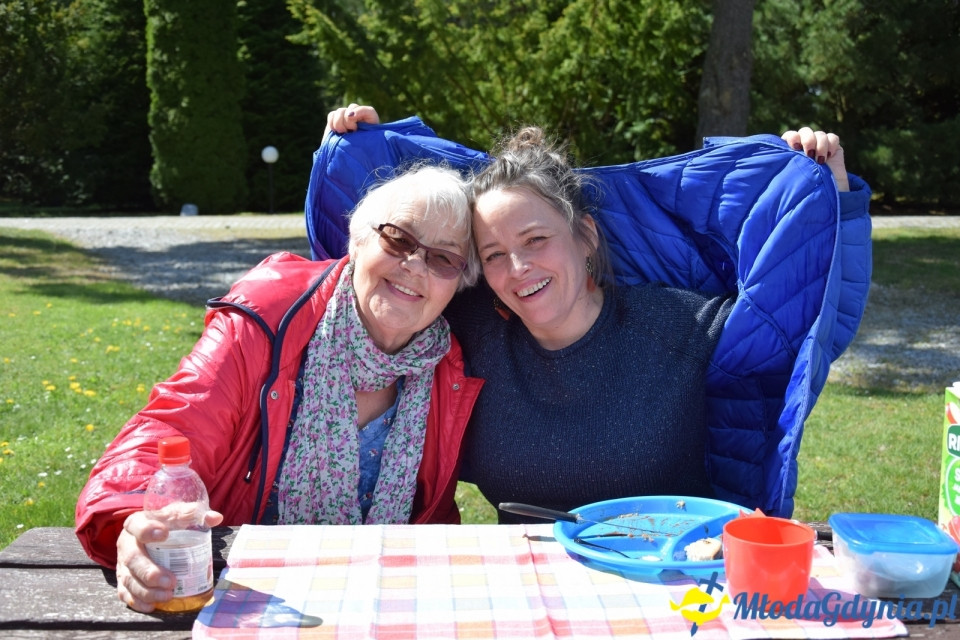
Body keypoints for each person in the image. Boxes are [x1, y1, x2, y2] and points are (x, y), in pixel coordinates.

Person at [325, 104, 869, 523]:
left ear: (584, 236)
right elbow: (377, 270)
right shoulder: (467, 332)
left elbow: (807, 318)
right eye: (493, 255)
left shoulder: (685, 329)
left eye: (535, 239)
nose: (517, 268)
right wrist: (357, 146)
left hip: (669, 583)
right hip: (526, 589)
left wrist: (828, 191)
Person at [75, 163, 484, 612]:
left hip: (387, 604)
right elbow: (165, 435)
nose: (414, 265)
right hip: (247, 602)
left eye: (443, 258)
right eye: (399, 239)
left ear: (459, 284)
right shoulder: (264, 320)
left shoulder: (448, 367)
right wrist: (133, 520)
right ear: (359, 238)